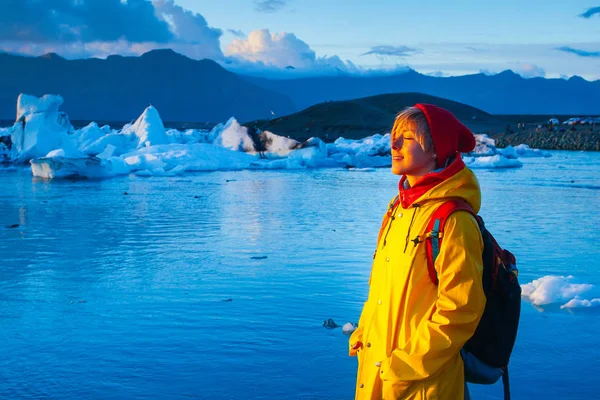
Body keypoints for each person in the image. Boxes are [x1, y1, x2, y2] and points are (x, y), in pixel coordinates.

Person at [349, 104, 486, 400]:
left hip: (422, 385)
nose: (394, 145)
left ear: (436, 149)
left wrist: (404, 367)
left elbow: (461, 310)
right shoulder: (398, 208)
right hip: (378, 372)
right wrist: (363, 334)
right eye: (394, 136)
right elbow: (381, 288)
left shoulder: (453, 220)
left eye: (407, 138)